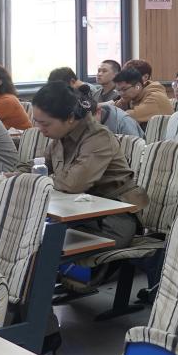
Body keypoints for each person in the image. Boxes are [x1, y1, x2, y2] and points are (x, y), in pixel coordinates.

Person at [30, 82, 148, 246]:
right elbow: (40, 164)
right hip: (75, 213)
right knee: (31, 238)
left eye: (45, 124)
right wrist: (16, 175)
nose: (40, 128)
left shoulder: (98, 137)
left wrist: (41, 180)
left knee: (43, 246)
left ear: (70, 118)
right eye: (37, 122)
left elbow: (74, 184)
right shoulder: (61, 136)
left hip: (109, 221)